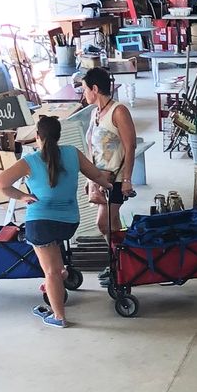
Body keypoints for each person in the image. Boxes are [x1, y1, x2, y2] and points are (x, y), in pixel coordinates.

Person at [0, 115, 115, 328]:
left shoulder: (30, 160)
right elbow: (97, 175)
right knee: (54, 264)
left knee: (49, 271)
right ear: (58, 136)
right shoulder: (72, 153)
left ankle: (58, 316)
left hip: (41, 223)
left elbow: (0, 183)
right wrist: (113, 186)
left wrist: (22, 196)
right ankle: (60, 276)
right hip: (69, 223)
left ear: (37, 136)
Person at [80, 65, 137, 257]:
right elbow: (91, 148)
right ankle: (120, 262)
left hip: (116, 179)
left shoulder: (118, 111)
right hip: (100, 179)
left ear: (94, 89)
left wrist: (127, 180)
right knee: (111, 223)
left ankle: (121, 260)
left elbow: (131, 146)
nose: (84, 94)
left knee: (104, 223)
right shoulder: (94, 113)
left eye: (85, 89)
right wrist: (90, 178)